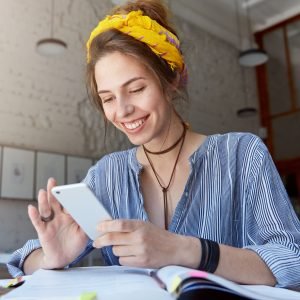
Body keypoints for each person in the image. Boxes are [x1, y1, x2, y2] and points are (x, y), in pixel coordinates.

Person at [7, 0, 300, 289]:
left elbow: (291, 259)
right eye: (108, 98)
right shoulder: (107, 175)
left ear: (172, 79)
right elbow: (24, 260)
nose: (122, 111)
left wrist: (185, 250)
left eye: (136, 89)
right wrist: (51, 257)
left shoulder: (242, 155)